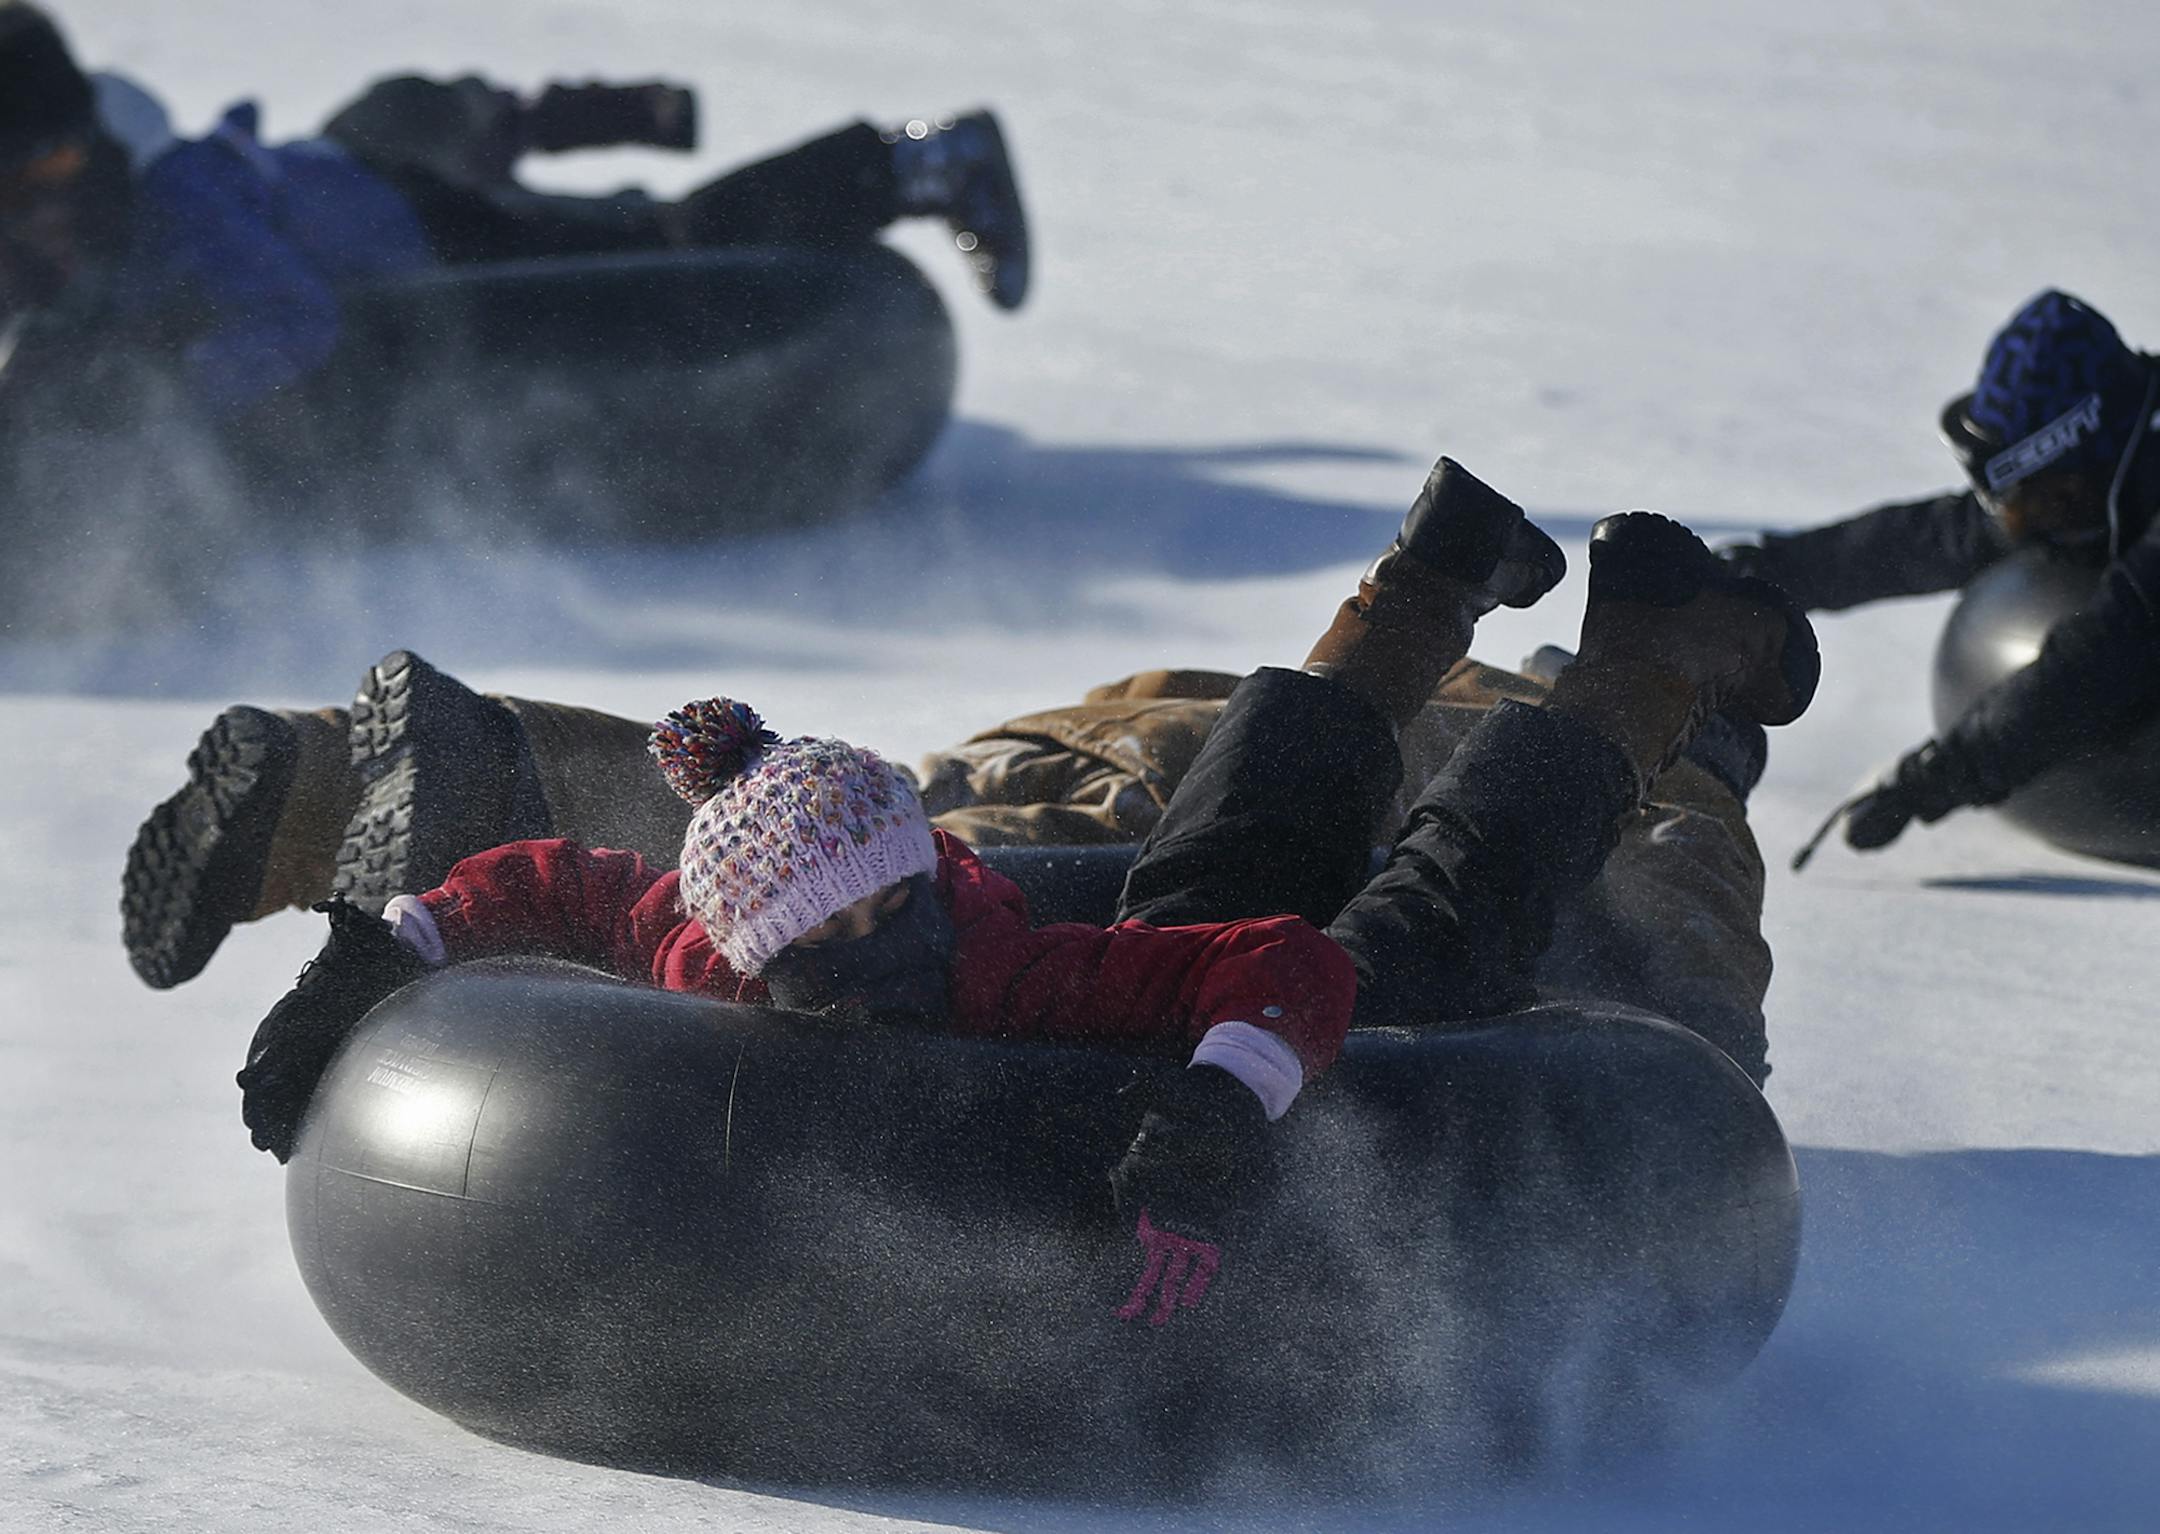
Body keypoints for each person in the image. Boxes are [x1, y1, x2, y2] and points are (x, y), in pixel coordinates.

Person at [218, 456, 1818, 1328]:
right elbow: (555, 881)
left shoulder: (1008, 978)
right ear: (753, 949)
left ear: (924, 873)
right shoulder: (701, 949)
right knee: (1224, 855)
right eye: (835, 935)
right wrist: (373, 953)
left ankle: (1615, 652)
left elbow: (1283, 968)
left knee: (1412, 931)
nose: (882, 946)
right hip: (1144, 922)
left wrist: (1222, 1103)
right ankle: (1441, 580)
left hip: (1238, 1014)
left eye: (894, 900)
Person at [0, 3, 1028, 418]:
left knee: (652, 246)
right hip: (380, 204)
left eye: (59, 164)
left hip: (414, 227)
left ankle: (917, 163)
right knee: (609, 221)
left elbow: (291, 320)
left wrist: (173, 393)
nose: (45, 201)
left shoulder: (175, 200)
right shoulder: (46, 240)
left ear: (89, 146)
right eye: (16, 182)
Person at [1722, 289, 2160, 857]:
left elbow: (2105, 654)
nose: (2022, 523)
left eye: (2041, 498)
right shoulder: (2102, 478)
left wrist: (1939, 777)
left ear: (2088, 464)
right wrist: (1756, 574)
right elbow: (1930, 540)